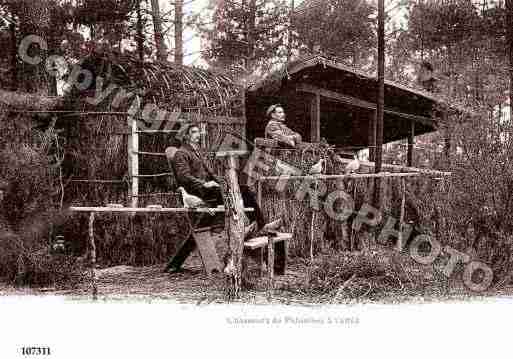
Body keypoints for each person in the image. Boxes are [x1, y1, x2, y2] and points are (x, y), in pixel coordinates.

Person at [172, 123, 264, 228]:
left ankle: (258, 224)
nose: (197, 134)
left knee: (242, 189)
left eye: (198, 132)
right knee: (238, 192)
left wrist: (222, 181)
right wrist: (204, 184)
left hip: (208, 189)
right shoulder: (181, 153)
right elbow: (183, 176)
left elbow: (211, 173)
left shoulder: (197, 152)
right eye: (193, 132)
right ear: (186, 136)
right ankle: (256, 225)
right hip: (197, 190)